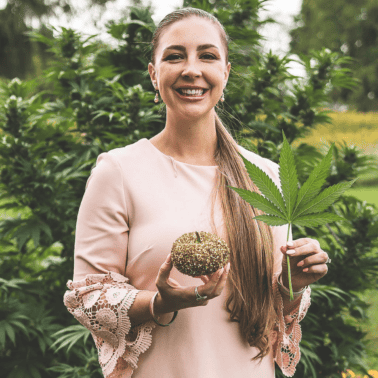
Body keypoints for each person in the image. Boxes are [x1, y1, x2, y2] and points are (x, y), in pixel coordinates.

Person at [63, 7, 330, 378]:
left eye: (207, 55)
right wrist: (159, 302)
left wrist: (293, 281)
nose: (192, 69)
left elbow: (272, 312)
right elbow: (87, 298)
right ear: (154, 75)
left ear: (225, 72)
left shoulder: (264, 175)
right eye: (175, 56)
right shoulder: (119, 172)